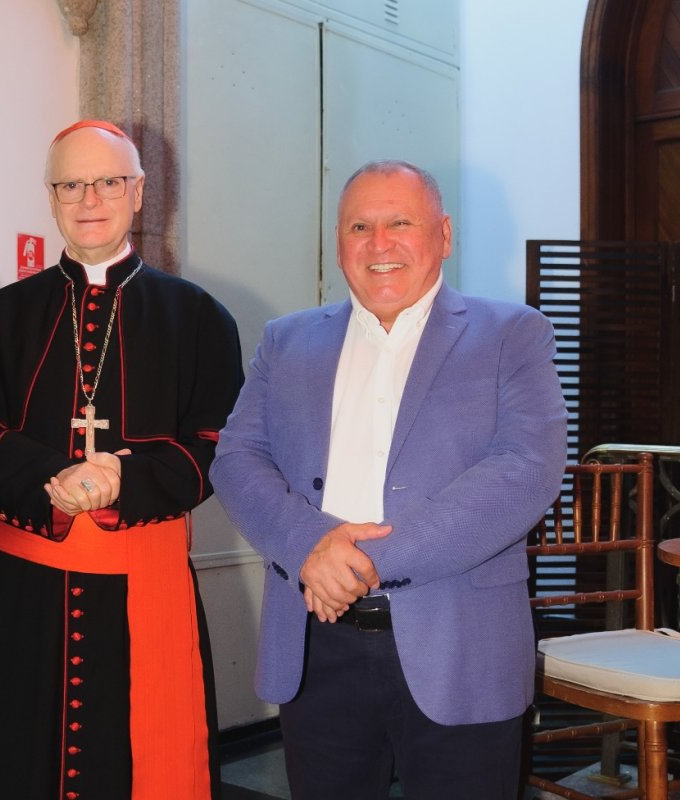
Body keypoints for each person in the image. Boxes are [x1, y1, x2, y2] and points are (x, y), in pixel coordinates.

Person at [210, 160, 567, 800]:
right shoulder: (285, 341)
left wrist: (361, 562)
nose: (380, 244)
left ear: (444, 235)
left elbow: (525, 471)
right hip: (315, 644)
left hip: (461, 644)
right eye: (360, 226)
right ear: (339, 243)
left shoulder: (512, 334)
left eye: (400, 222)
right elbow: (237, 457)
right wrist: (308, 548)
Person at [0, 120, 242, 799]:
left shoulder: (199, 317)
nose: (90, 198)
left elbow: (220, 440)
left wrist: (126, 477)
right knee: (16, 764)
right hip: (22, 590)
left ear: (140, 192)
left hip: (144, 578)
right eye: (70, 183)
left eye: (109, 181)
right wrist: (45, 480)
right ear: (51, 196)